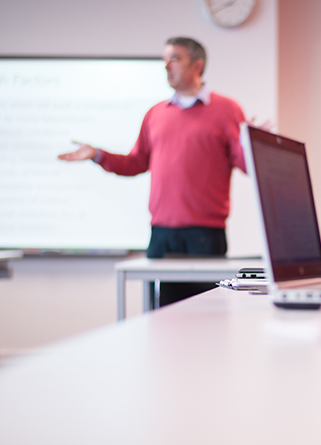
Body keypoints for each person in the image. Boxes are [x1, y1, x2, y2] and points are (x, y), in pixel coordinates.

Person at [58, 37, 246, 305]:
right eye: (164, 59)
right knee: (163, 317)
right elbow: (135, 163)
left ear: (197, 65)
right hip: (161, 235)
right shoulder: (155, 114)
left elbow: (244, 162)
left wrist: (256, 147)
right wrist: (98, 155)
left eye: (175, 59)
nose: (166, 66)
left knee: (206, 317)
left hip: (205, 235)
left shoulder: (226, 110)